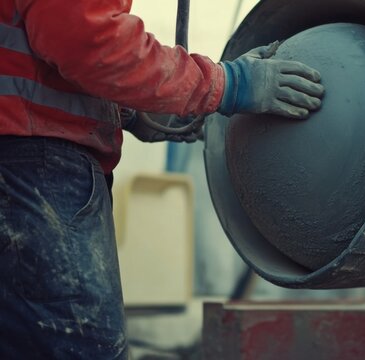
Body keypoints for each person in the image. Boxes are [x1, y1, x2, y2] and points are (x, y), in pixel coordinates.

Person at [0, 1, 325, 358]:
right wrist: (225, 83)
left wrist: (123, 112)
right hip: (31, 170)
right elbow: (87, 38)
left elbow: (50, 48)